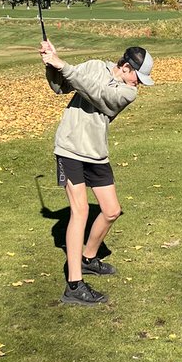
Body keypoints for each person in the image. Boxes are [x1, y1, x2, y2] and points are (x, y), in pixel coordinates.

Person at [40, 40, 154, 306]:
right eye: (138, 77)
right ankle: (74, 285)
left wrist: (64, 65)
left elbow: (98, 94)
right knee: (79, 211)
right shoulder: (92, 66)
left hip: (96, 152)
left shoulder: (128, 93)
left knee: (112, 210)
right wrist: (50, 63)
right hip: (69, 149)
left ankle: (89, 257)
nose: (139, 83)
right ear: (126, 67)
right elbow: (61, 86)